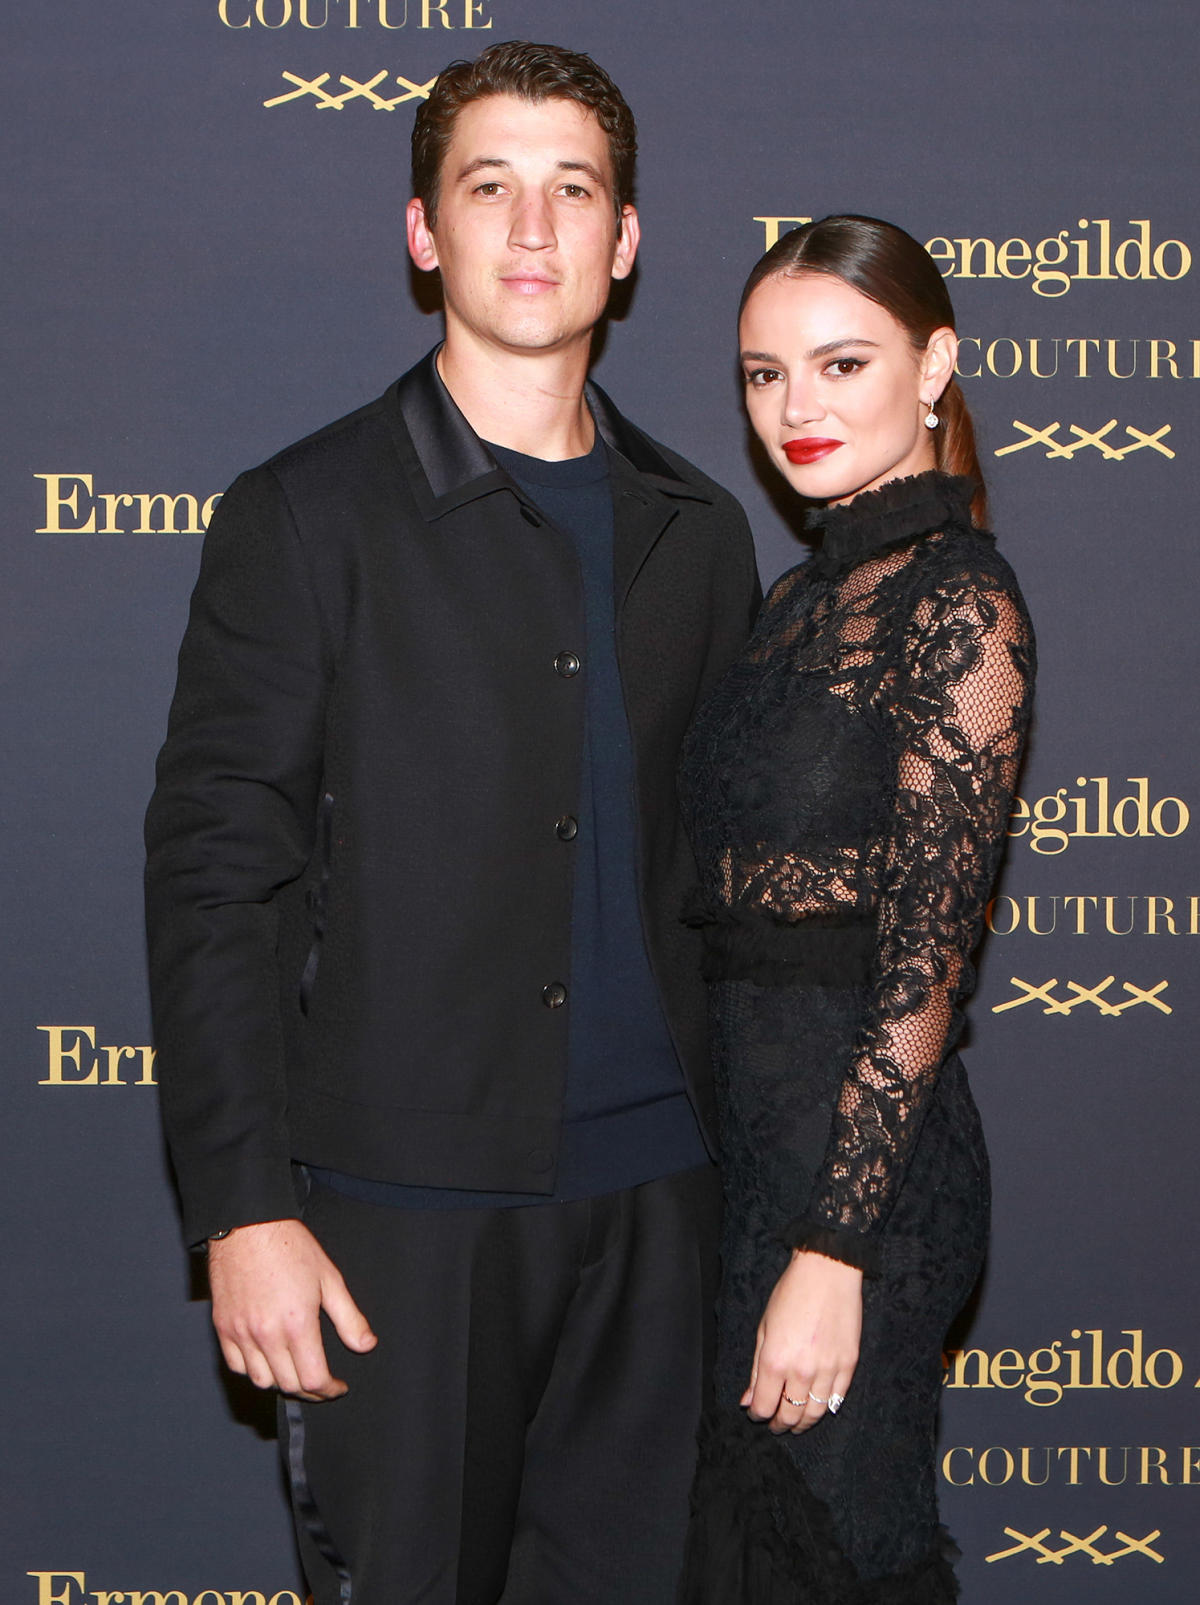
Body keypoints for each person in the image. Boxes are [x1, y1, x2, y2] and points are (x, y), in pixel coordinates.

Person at [144, 40, 759, 1605]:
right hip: (399, 1227)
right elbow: (221, 879)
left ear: (627, 242)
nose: (534, 229)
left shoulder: (701, 534)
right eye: (491, 188)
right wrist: (242, 1208)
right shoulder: (303, 516)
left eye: (575, 191)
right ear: (426, 233)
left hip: (664, 1217)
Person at [677, 215, 1035, 1602]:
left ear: (935, 361)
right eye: (765, 375)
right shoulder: (788, 605)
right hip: (743, 1159)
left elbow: (925, 963)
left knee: (836, 1556)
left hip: (861, 1191)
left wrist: (833, 1251)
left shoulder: (964, 606)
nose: (796, 409)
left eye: (839, 362)